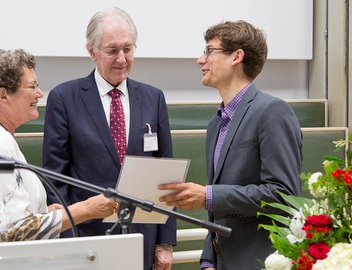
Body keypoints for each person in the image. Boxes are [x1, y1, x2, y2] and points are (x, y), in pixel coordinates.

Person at [158, 21, 302, 269]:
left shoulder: (272, 111)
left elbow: (283, 196)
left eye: (209, 51)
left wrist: (207, 196)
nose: (200, 60)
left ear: (237, 56)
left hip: (259, 262)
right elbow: (218, 208)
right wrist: (208, 258)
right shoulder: (216, 123)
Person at [42, 7, 176, 270]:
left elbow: (165, 176)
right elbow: (55, 178)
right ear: (92, 51)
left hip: (142, 239)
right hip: (86, 240)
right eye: (112, 50)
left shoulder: (153, 98)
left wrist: (165, 242)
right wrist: (68, 241)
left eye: (128, 49)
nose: (122, 58)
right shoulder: (64, 98)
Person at [0, 49, 117, 246]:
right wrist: (86, 209)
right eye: (32, 86)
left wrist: (43, 214)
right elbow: (16, 230)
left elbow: (3, 213)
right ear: (3, 96)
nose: (39, 94)